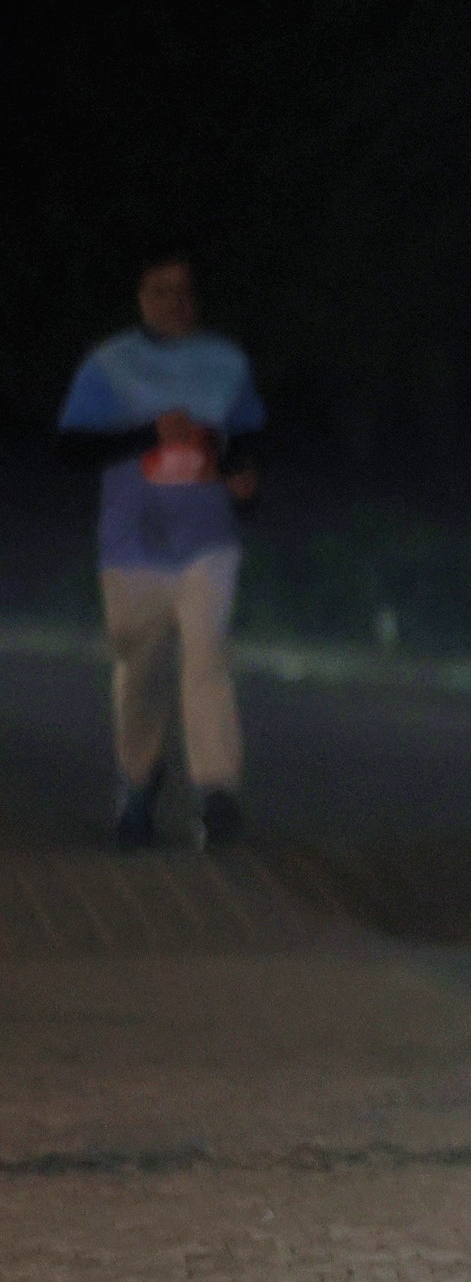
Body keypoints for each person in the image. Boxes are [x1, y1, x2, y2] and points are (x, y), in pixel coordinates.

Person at [57, 252, 265, 851]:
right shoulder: (110, 364)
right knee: (139, 672)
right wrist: (150, 434)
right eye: (159, 290)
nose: (173, 301)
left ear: (196, 299)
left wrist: (244, 479)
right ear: (141, 297)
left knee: (208, 662)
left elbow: (246, 438)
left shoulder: (226, 363)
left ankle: (218, 794)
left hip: (208, 541)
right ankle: (139, 784)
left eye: (183, 290)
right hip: (132, 546)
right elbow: (72, 449)